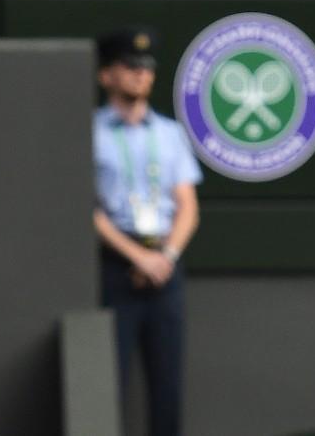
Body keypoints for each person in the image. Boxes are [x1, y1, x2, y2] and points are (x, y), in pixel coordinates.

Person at [93, 26, 202, 436]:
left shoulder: (170, 133)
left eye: (147, 68)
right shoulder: (91, 131)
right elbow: (88, 210)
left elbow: (187, 205)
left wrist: (166, 257)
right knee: (109, 376)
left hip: (166, 264)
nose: (141, 75)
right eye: (129, 67)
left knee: (167, 380)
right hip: (116, 263)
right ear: (106, 76)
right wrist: (136, 257)